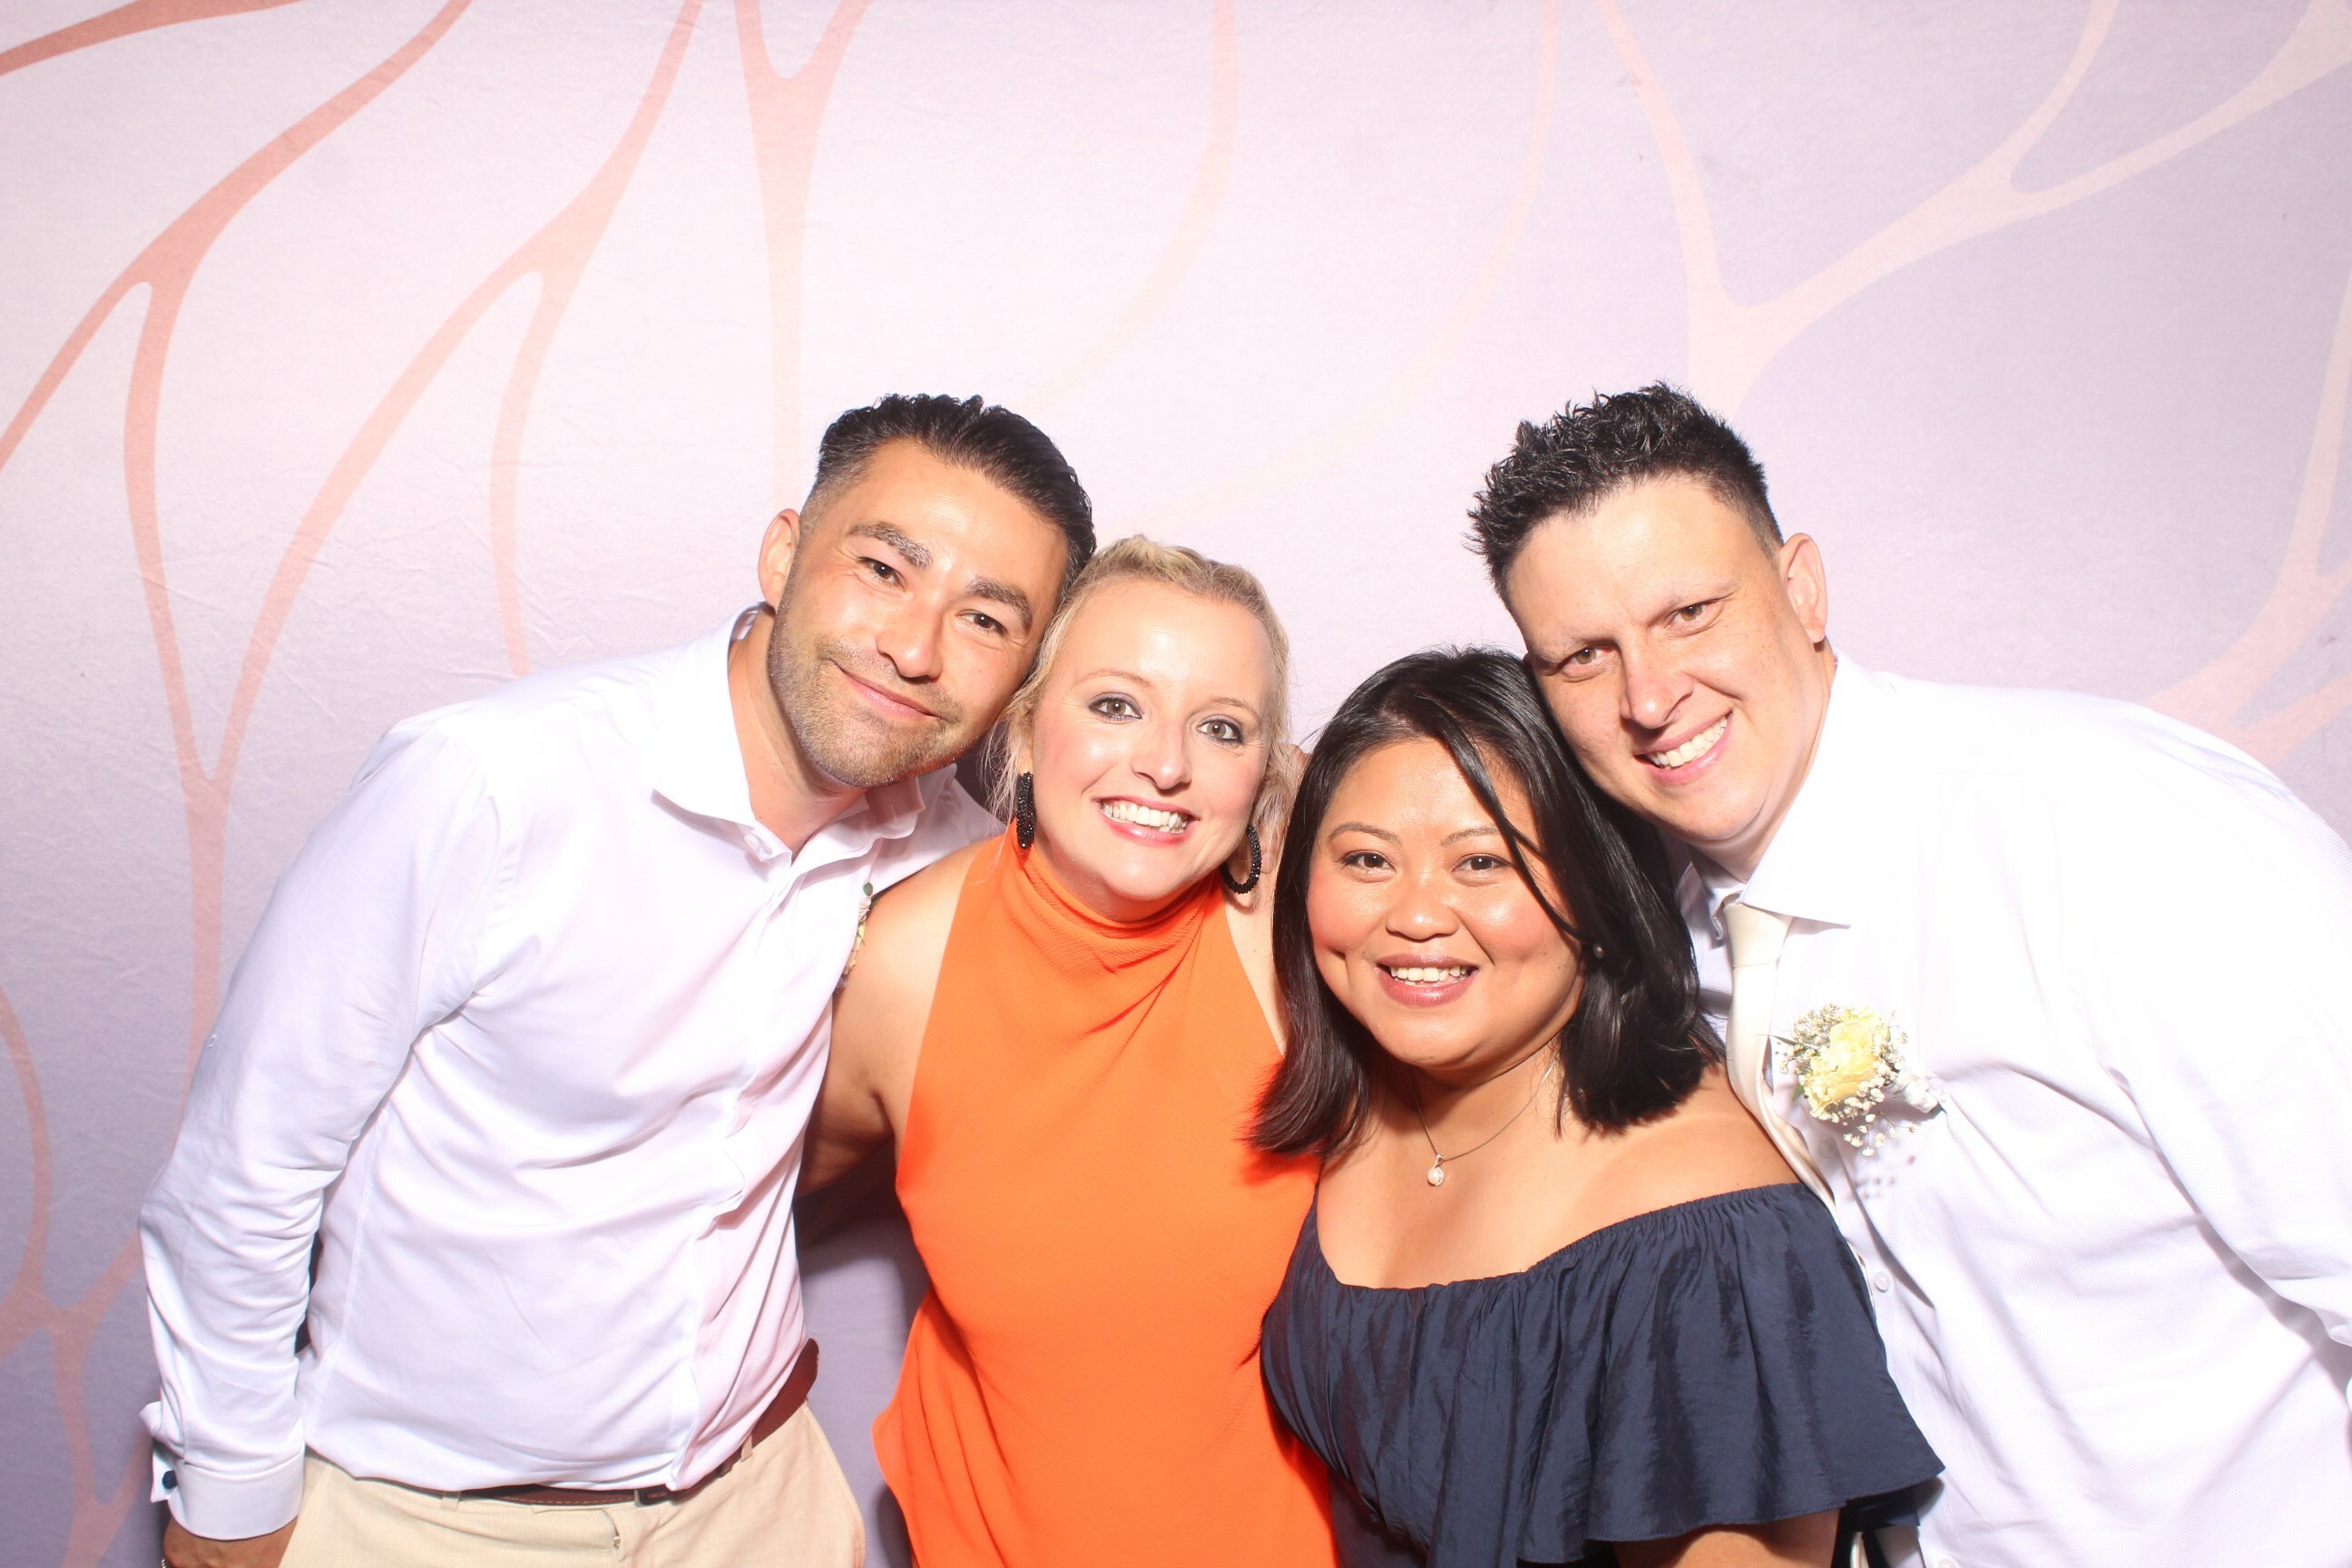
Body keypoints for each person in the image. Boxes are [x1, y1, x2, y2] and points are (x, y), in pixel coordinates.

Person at [138, 394, 1092, 1568]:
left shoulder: (949, 862)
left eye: (986, 619)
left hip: (762, 1502)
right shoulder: (490, 785)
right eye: (884, 568)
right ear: (784, 553)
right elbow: (245, 1162)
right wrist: (228, 1498)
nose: (916, 647)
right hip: (425, 1524)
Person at [1468, 383, 2352, 1566]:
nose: (1649, 696)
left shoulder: (2112, 826)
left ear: (1802, 589)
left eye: (1689, 613)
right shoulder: (1646, 931)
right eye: (1584, 657)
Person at [1255, 648, 1938, 1568]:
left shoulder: (1701, 1247)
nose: (1415, 916)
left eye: (1483, 862)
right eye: (1367, 860)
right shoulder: (1366, 1098)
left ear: (1596, 885)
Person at [807, 535, 1338, 1567]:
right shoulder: (908, 960)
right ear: (1024, 723)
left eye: (1221, 728)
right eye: (1115, 705)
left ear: (1266, 773)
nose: (1167, 764)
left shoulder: (1303, 934)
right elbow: (744, 1194)